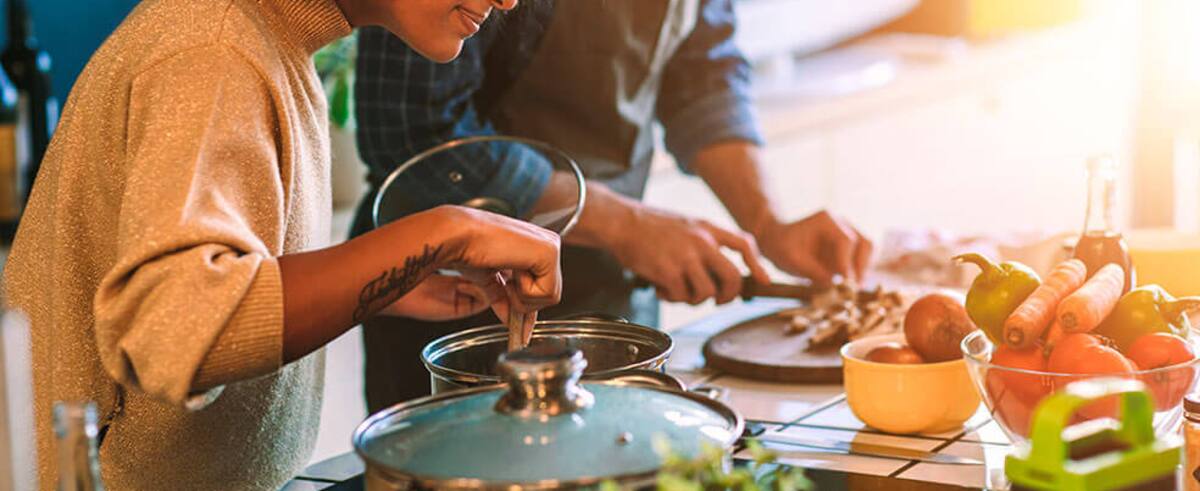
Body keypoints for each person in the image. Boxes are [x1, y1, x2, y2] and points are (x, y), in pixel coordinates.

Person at [3, 0, 560, 489]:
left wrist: (382, 286)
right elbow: (174, 329)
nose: (509, 1)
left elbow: (232, 265)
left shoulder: (270, 38)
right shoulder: (213, 47)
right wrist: (443, 232)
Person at [353, 0, 875, 411]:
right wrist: (625, 226)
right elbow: (415, 134)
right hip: (455, 304)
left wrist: (768, 223)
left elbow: (703, 73)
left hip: (609, 290)